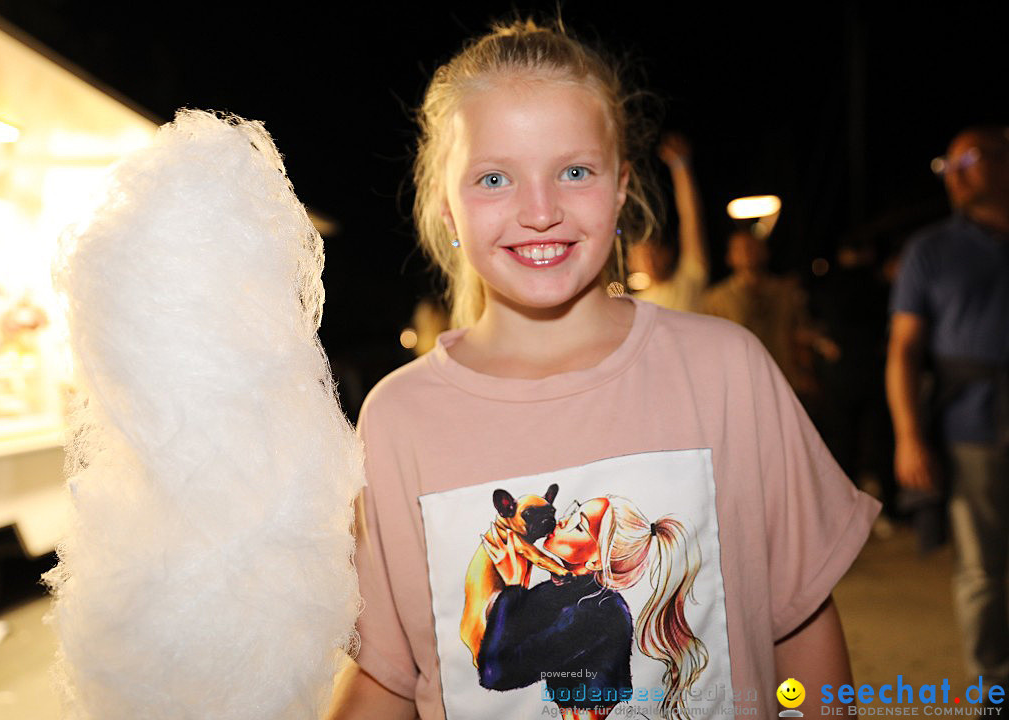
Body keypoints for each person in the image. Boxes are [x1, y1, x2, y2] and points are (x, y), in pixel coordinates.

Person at [326, 19, 878, 720]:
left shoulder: (727, 370)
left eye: (575, 172)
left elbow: (800, 624)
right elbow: (386, 675)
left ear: (620, 189)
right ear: (447, 207)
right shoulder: (399, 416)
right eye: (494, 178)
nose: (540, 211)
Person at [886, 126, 1009, 691]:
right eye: (946, 162)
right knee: (983, 568)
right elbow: (904, 350)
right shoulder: (931, 249)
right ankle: (994, 689)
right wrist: (909, 435)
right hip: (972, 426)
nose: (954, 172)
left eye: (969, 158)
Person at [477, 497, 705, 720]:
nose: (564, 521)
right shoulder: (555, 592)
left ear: (595, 561)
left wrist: (513, 589)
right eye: (573, 511)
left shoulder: (600, 612)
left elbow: (494, 674)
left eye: (579, 526)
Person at [700, 231, 832, 397]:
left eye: (752, 246)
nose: (747, 252)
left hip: (785, 380)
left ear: (765, 251)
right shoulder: (716, 299)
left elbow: (799, 333)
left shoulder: (785, 292)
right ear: (729, 256)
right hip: (743, 385)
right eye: (739, 249)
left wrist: (806, 371)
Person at [627, 133, 709, 312]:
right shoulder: (634, 307)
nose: (649, 261)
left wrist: (681, 167)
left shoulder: (690, 279)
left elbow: (691, 220)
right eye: (641, 256)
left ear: (667, 253)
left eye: (653, 252)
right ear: (631, 263)